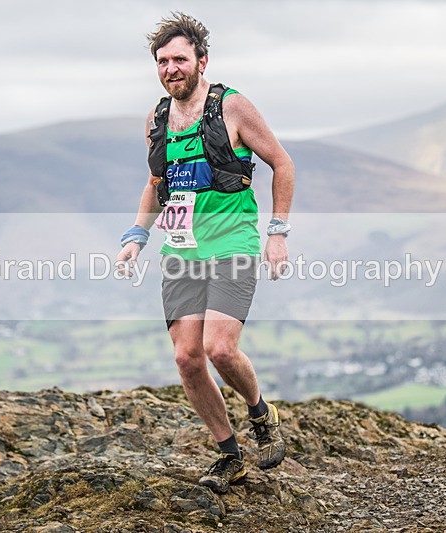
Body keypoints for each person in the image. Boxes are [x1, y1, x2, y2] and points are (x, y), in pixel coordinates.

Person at [116, 13, 295, 494]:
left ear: (201, 61)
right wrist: (136, 235)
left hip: (233, 242)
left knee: (219, 347)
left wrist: (277, 231)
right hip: (181, 250)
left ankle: (260, 412)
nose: (171, 68)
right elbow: (159, 183)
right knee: (188, 359)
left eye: (180, 59)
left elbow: (282, 163)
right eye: (162, 61)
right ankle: (230, 455)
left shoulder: (232, 107)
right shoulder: (156, 118)